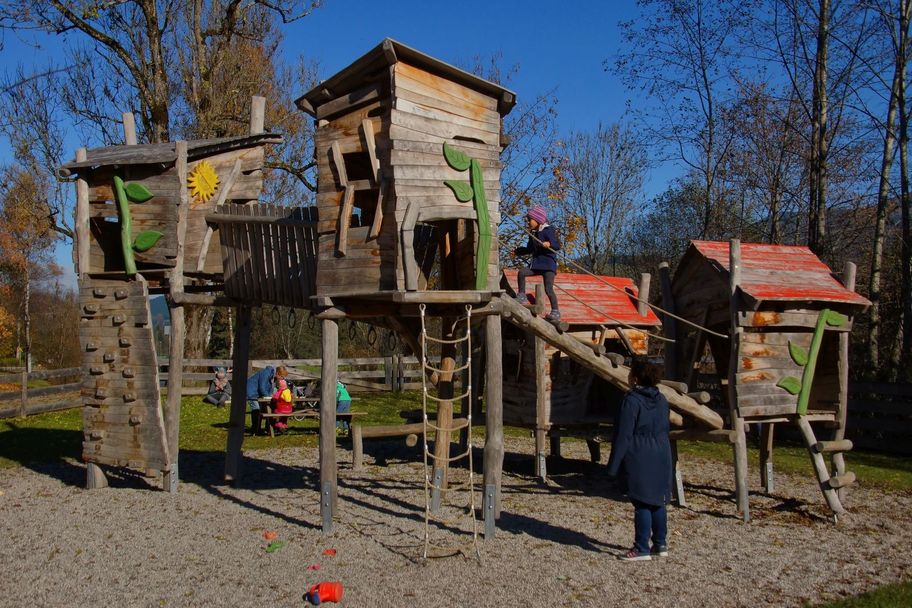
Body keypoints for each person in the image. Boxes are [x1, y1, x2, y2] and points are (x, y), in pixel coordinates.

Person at [606, 357, 672, 562]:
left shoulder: (632, 400)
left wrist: (613, 465)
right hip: (662, 450)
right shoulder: (662, 399)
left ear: (635, 377)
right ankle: (660, 543)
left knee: (642, 502)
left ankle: (641, 546)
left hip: (640, 452)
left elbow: (624, 434)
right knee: (657, 501)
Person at [512, 206, 561, 322]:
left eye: (530, 220)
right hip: (537, 265)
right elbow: (529, 249)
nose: (528, 222)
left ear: (538, 220)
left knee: (548, 289)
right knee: (522, 272)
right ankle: (521, 295)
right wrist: (517, 251)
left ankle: (555, 311)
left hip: (548, 265)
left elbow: (557, 245)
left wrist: (549, 243)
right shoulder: (533, 234)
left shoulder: (548, 230)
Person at [246, 365, 287, 435]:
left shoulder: (272, 377)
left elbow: (269, 389)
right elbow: (262, 387)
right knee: (256, 409)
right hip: (251, 392)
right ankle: (255, 430)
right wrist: (268, 396)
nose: (282, 379)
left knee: (268, 408)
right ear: (277, 374)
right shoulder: (266, 373)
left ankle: (268, 429)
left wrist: (271, 395)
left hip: (257, 393)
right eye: (282, 377)